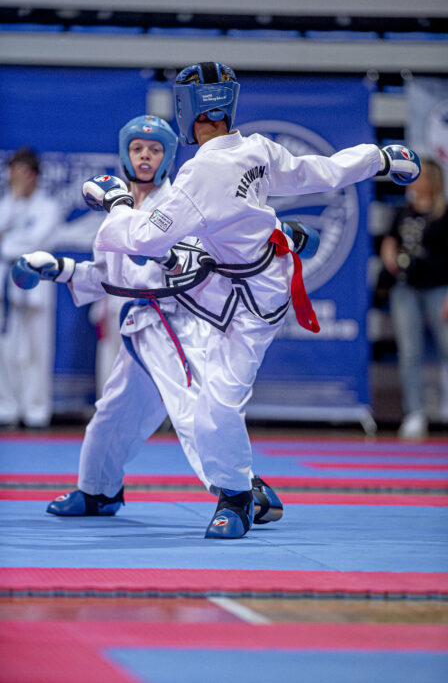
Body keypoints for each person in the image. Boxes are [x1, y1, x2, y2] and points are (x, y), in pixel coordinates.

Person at [82, 62, 421, 539]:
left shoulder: (201, 172)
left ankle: (238, 499)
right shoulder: (256, 147)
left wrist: (117, 201)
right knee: (197, 401)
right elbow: (319, 172)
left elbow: (143, 239)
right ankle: (196, 490)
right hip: (233, 287)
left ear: (186, 110)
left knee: (215, 405)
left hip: (249, 301)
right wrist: (379, 159)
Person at [12, 115, 284, 526]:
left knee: (193, 414)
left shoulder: (184, 201)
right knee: (111, 416)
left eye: (154, 150)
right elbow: (108, 278)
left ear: (168, 156)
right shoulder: (117, 210)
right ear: (125, 154)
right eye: (137, 148)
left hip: (178, 323)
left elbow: (192, 266)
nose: (145, 156)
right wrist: (57, 268)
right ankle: (98, 491)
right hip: (138, 326)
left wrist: (162, 253)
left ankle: (246, 492)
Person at [380, 158, 448, 439]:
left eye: (419, 177)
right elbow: (390, 240)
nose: (413, 182)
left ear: (431, 181)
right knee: (410, 352)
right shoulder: (403, 212)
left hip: (439, 288)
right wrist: (389, 254)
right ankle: (415, 413)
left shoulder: (444, 213)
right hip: (405, 288)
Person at [0, 147, 62, 429]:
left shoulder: (48, 207)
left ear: (34, 175)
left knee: (37, 349)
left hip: (36, 282)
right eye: (12, 172)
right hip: (5, 283)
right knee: (6, 350)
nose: (15, 177)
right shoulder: (6, 203)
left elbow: (36, 242)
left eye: (21, 172)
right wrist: (14, 199)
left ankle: (37, 411)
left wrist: (9, 244)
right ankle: (7, 408)